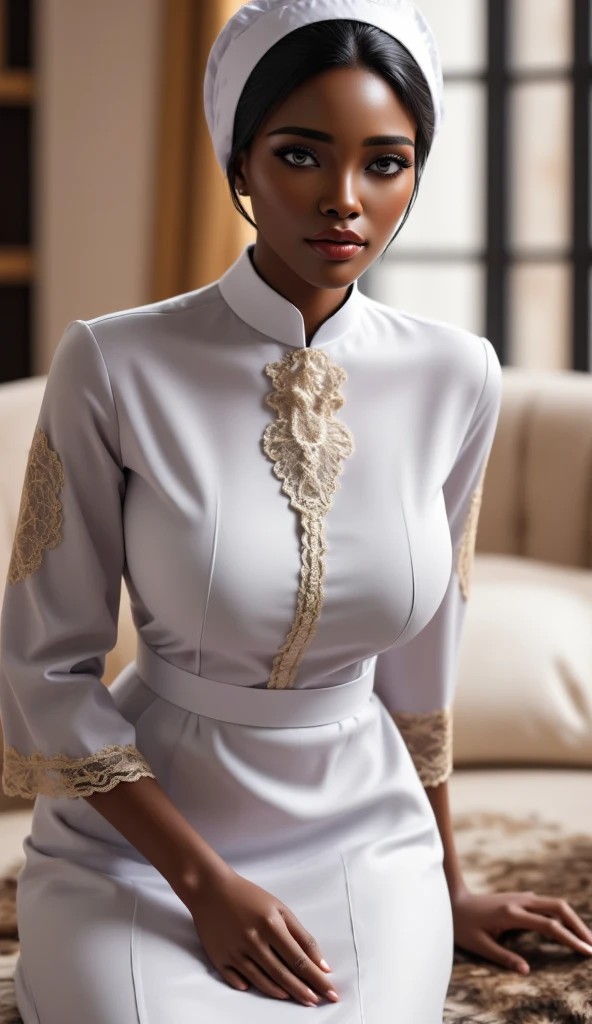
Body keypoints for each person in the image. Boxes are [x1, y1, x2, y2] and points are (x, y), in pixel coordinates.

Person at [2, 1, 592, 1021]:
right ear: (239, 163)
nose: (346, 201)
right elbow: (41, 669)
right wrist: (203, 885)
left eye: (386, 162)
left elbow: (422, 669)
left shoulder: (457, 374)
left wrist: (448, 884)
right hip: (142, 848)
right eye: (301, 155)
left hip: (362, 832)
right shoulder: (114, 361)